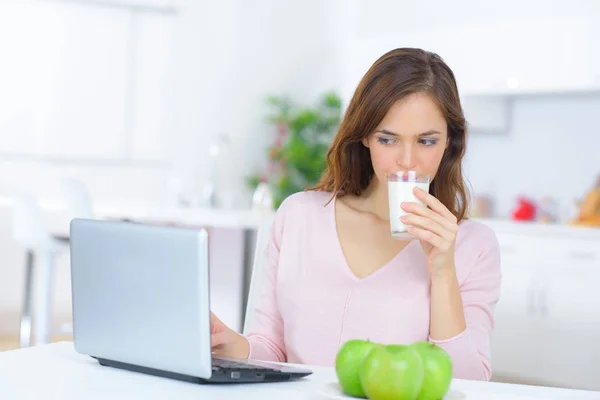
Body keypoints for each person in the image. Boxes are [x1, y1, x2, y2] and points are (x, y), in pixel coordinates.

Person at [210, 47, 502, 381]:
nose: (407, 161)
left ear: (450, 141)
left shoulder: (473, 246)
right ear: (365, 136)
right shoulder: (299, 217)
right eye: (388, 139)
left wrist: (443, 272)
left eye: (426, 141)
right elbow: (272, 350)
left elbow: (470, 386)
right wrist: (230, 345)